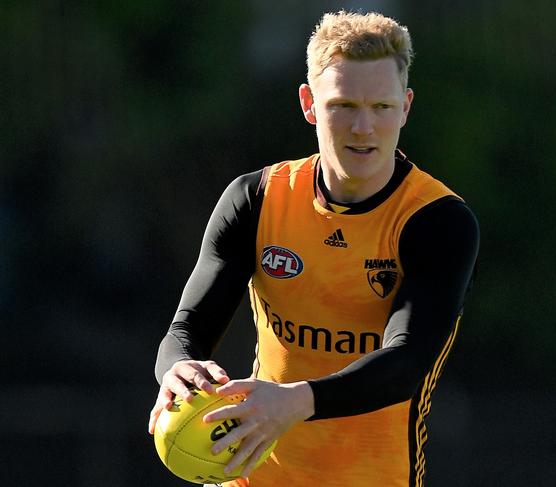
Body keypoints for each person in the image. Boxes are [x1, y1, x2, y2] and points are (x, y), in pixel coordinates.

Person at [148, 10, 479, 487]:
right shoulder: (257, 200)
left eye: (381, 107)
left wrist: (294, 403)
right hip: (253, 476)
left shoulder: (437, 221)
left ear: (405, 107)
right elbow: (188, 328)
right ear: (309, 103)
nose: (363, 127)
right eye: (343, 105)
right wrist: (177, 370)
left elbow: (406, 363)